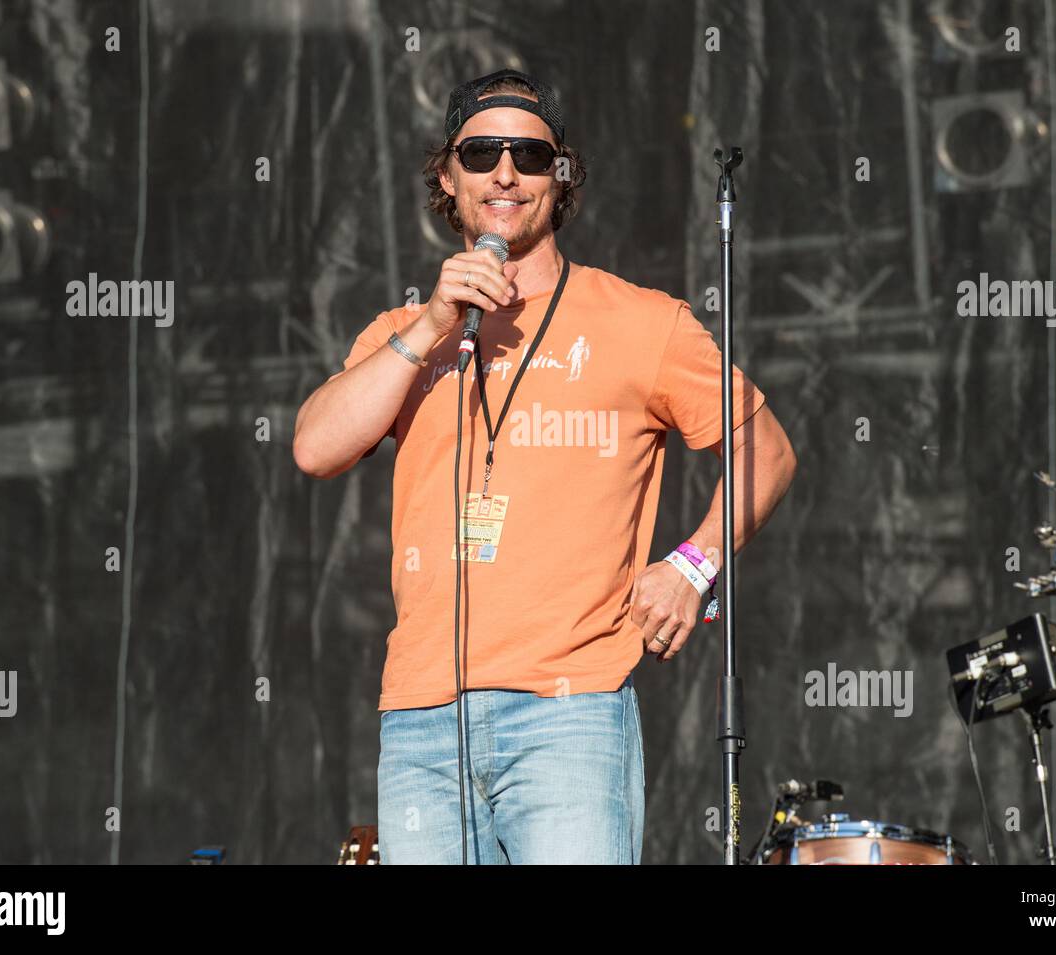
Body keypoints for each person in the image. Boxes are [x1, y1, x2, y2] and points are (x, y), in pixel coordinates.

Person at [293, 68, 796, 864]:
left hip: (570, 715)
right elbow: (315, 446)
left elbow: (766, 449)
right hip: (421, 717)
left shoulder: (640, 321)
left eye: (528, 155)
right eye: (482, 151)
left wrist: (693, 565)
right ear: (446, 177)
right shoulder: (405, 332)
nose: (504, 172)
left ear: (558, 180)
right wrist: (431, 323)